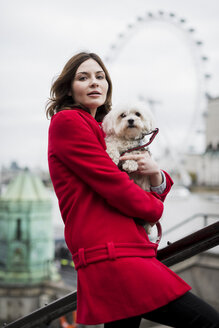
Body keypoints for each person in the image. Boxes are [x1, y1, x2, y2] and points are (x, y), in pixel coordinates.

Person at [47, 52, 219, 328]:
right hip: (113, 254)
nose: (94, 82)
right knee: (208, 321)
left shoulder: (105, 132)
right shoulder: (68, 122)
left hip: (124, 250)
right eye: (83, 77)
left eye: (100, 77)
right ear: (69, 88)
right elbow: (114, 185)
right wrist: (156, 208)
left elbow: (134, 184)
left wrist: (156, 175)